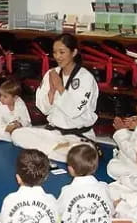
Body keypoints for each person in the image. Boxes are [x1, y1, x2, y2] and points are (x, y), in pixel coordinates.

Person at [11, 33, 99, 163]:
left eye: (62, 52)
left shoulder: (86, 78)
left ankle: (47, 151)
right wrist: (51, 92)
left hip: (78, 136)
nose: (57, 56)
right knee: (17, 135)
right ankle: (55, 150)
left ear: (74, 52)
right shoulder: (51, 74)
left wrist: (59, 87)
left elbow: (74, 111)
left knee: (81, 153)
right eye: (55, 52)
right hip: (55, 134)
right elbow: (43, 109)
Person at [57, 144, 118, 223]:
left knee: (56, 221)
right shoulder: (103, 187)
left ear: (70, 169)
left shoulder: (68, 190)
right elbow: (111, 210)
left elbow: (58, 212)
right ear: (95, 166)